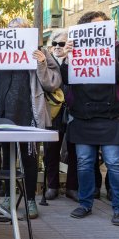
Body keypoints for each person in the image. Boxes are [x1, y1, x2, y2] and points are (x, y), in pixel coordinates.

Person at [0, 18, 62, 219]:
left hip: (29, 116)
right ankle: (9, 196)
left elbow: (53, 83)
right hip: (2, 116)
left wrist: (42, 63)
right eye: (10, 30)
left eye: (18, 30)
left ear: (28, 33)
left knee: (29, 159)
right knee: (7, 160)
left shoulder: (40, 53)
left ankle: (29, 199)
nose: (13, 33)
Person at [62, 11, 119, 226]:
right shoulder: (74, 49)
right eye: (96, 26)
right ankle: (85, 203)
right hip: (83, 114)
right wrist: (65, 58)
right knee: (84, 163)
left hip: (111, 115)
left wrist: (108, 55)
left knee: (115, 164)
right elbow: (65, 79)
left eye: (104, 26)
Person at [42, 29, 78, 201]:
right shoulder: (46, 62)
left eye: (61, 44)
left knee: (74, 150)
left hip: (73, 110)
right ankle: (52, 186)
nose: (57, 47)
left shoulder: (77, 60)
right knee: (51, 151)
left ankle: (72, 187)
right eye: (54, 44)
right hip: (52, 111)